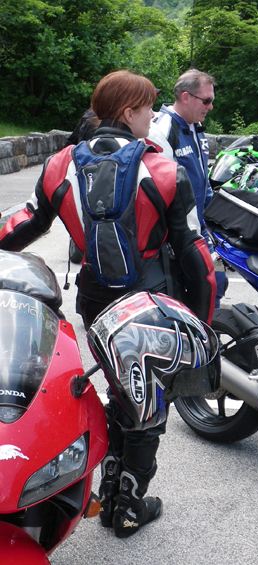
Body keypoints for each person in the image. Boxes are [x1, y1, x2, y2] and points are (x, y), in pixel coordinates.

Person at [0, 70, 217, 538]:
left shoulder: (60, 163)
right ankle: (128, 508)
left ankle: (109, 487)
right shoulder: (163, 169)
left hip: (94, 299)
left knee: (117, 390)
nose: (154, 117)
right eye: (149, 108)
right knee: (146, 401)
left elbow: (26, 224)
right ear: (128, 111)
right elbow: (196, 256)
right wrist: (203, 321)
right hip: (148, 300)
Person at [146, 69, 227, 307]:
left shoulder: (195, 126)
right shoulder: (162, 129)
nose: (211, 107)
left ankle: (208, 328)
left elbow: (202, 180)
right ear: (186, 97)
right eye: (207, 101)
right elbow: (161, 191)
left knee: (216, 284)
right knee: (193, 293)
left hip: (200, 227)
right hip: (180, 233)